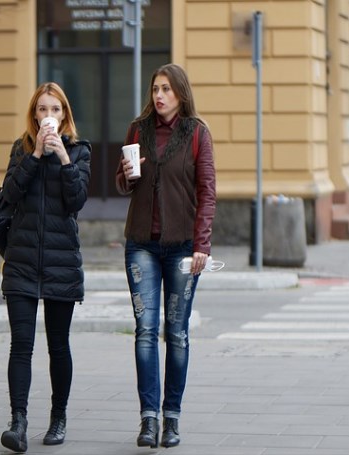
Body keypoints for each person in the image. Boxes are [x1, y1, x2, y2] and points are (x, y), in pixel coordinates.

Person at [115, 63, 216, 448]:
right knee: (144, 331)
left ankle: (171, 418)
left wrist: (201, 244)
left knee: (176, 332)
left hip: (181, 248)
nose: (159, 96)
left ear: (181, 94)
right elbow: (123, 183)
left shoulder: (196, 134)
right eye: (156, 89)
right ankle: (147, 419)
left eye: (167, 90)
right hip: (141, 242)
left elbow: (207, 192)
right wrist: (126, 174)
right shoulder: (137, 130)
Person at [0, 82, 91, 453]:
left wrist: (63, 159)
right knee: (21, 345)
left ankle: (58, 418)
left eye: (54, 109)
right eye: (41, 110)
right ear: (33, 115)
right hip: (21, 260)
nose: (47, 116)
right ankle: (17, 423)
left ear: (64, 115)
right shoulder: (21, 150)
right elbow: (9, 194)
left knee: (58, 345)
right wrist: (35, 155)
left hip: (60, 261)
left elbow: (77, 200)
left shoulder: (79, 151)